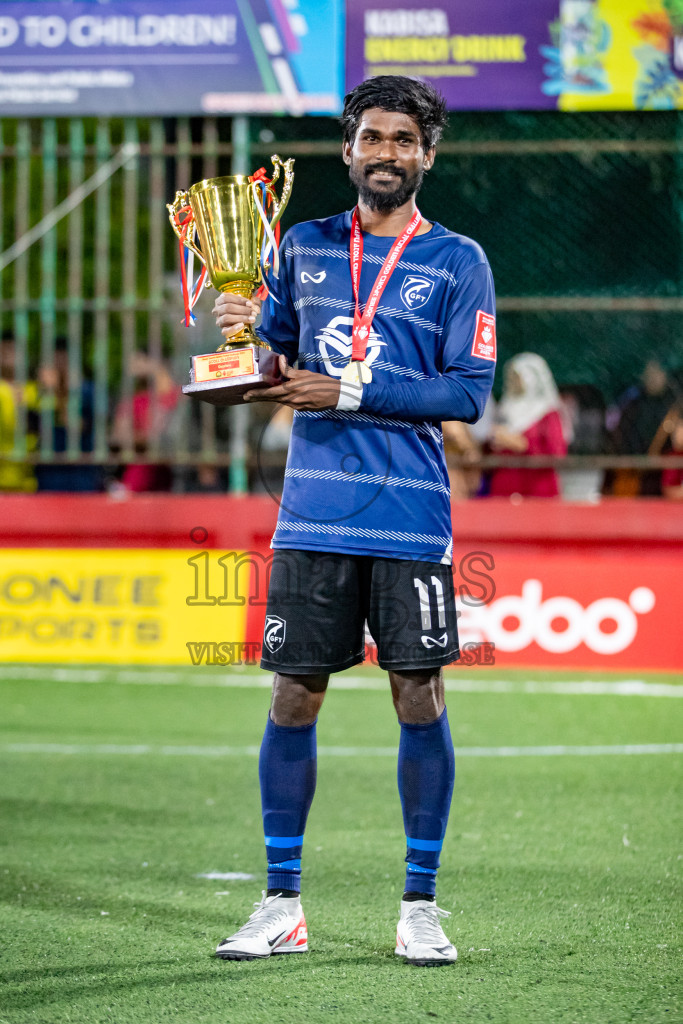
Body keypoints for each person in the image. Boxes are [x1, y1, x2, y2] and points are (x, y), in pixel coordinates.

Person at [210, 76, 496, 966]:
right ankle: (280, 903)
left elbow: (466, 395)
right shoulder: (300, 246)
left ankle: (419, 904)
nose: (386, 152)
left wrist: (352, 387)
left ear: (426, 155)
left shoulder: (459, 262)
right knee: (292, 696)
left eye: (403, 140)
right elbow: (274, 365)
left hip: (410, 521)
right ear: (347, 149)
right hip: (310, 515)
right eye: (372, 137)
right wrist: (238, 343)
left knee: (420, 695)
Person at [487, 353, 567, 499]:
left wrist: (523, 445)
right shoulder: (505, 407)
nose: (515, 381)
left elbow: (557, 452)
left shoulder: (548, 413)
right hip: (505, 484)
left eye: (519, 377)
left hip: (537, 486)